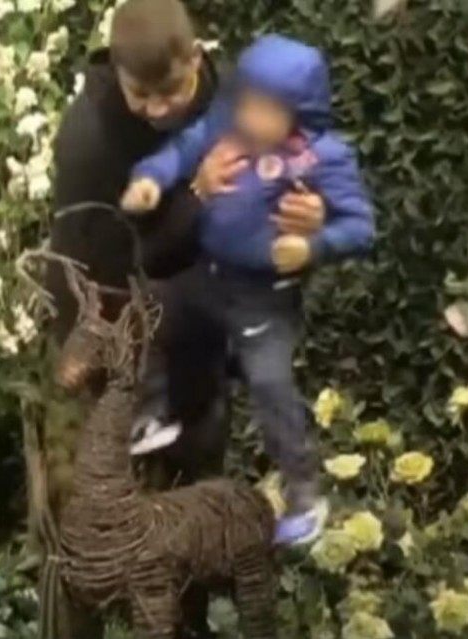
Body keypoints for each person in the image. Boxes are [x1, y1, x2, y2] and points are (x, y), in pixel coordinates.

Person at [46, 0, 328, 481]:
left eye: (170, 90)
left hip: (205, 338)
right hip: (122, 341)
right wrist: (198, 195)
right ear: (118, 72)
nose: (158, 108)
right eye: (141, 94)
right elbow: (109, 272)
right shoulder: (89, 142)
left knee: (203, 476)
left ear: (196, 57)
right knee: (135, 496)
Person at [121, 33, 376, 546]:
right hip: (209, 277)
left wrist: (313, 246)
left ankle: (304, 494)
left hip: (263, 296)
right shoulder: (226, 128)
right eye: (248, 102)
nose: (251, 118)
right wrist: (150, 179)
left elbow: (360, 227)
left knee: (270, 384)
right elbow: (184, 148)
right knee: (154, 308)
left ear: (297, 111)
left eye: (266, 109)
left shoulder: (321, 159)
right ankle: (153, 411)